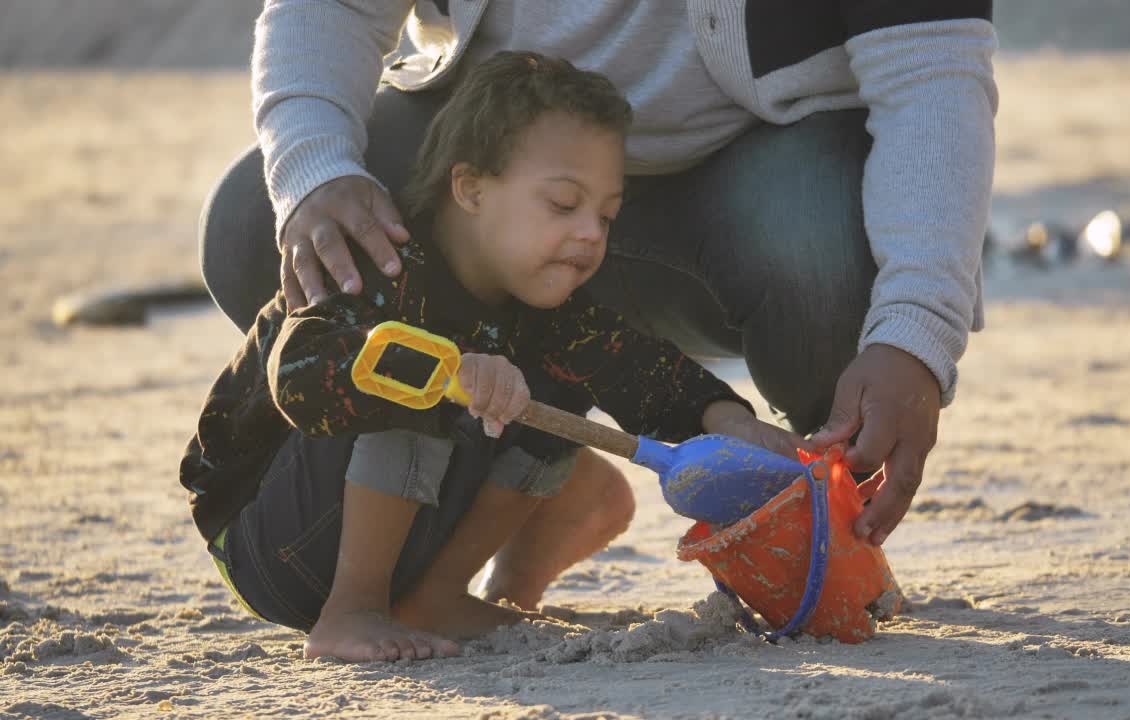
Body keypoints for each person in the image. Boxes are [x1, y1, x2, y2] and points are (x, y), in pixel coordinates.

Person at [200, 2, 997, 556]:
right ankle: (530, 466)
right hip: (503, 160)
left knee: (837, 273)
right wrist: (316, 173)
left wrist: (915, 335)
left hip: (755, 170)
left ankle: (810, 512)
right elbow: (329, 7)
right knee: (258, 222)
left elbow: (930, 70)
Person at [181, 51, 809, 663]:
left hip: (376, 529)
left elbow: (639, 368)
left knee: (565, 380)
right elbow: (297, 377)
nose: (591, 232)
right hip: (266, 540)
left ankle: (440, 599)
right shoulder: (382, 264)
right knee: (410, 368)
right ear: (471, 188)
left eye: (607, 215)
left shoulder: (541, 306)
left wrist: (727, 420)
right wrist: (452, 368)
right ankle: (353, 612)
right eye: (564, 204)